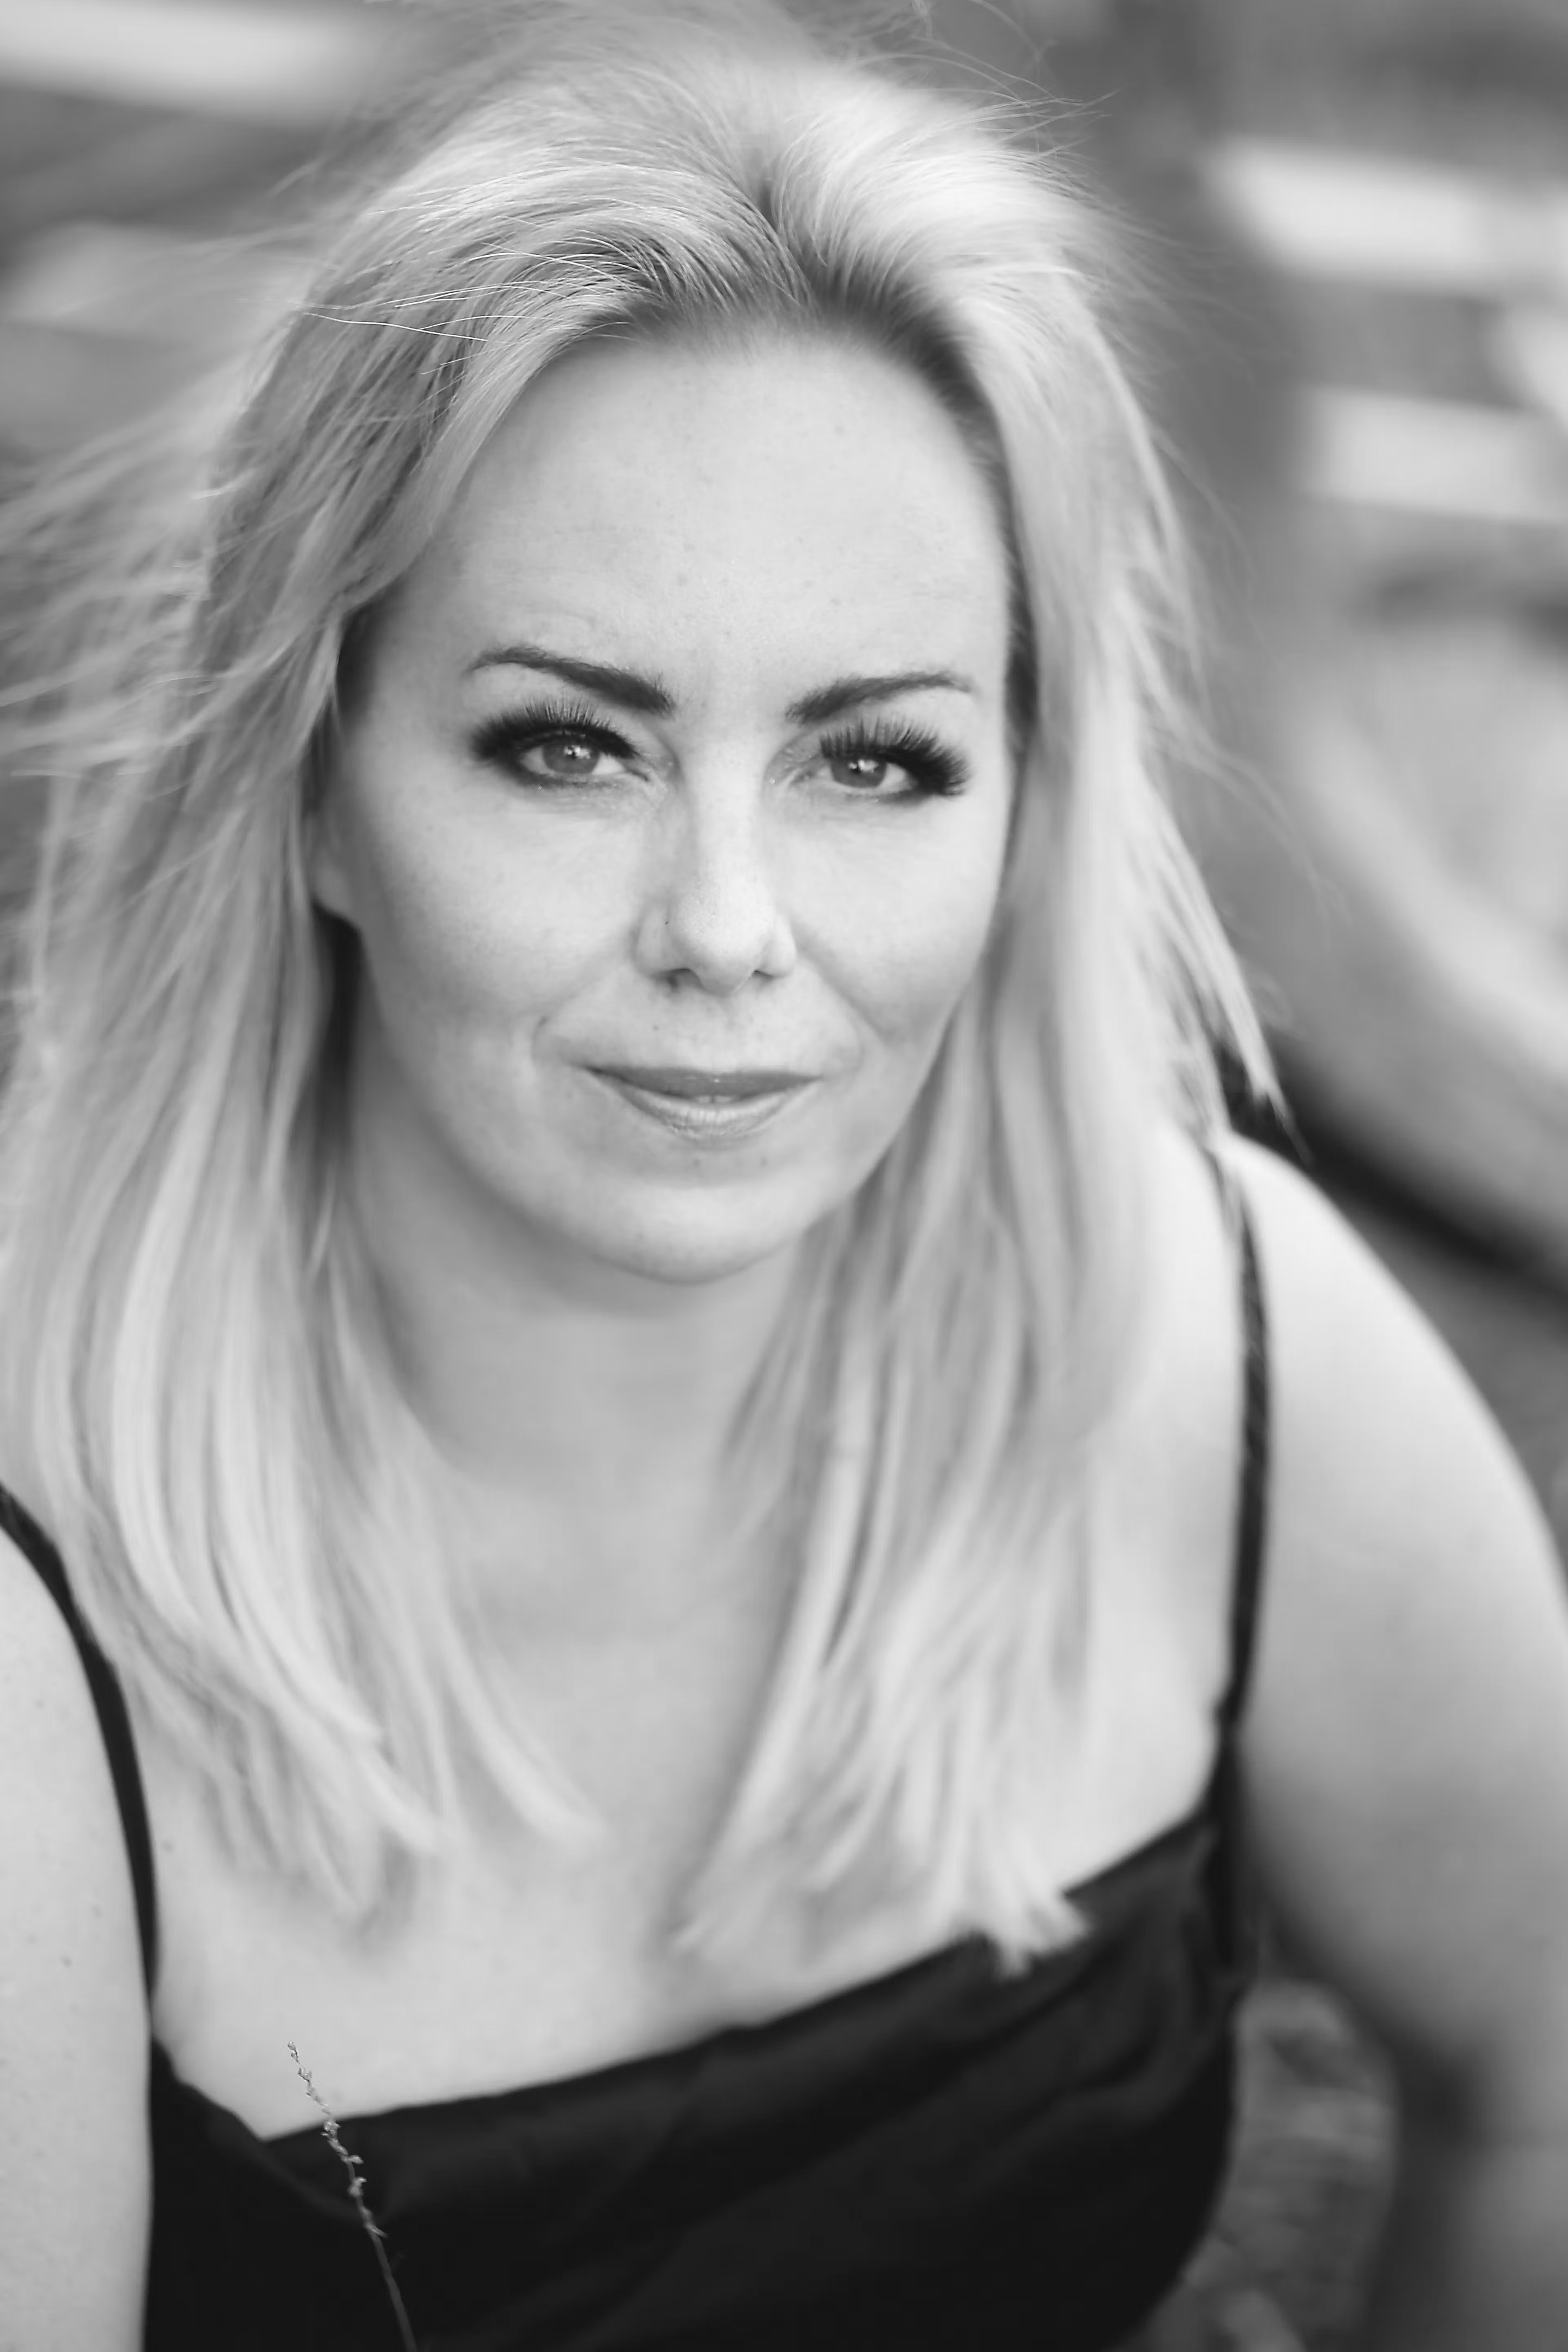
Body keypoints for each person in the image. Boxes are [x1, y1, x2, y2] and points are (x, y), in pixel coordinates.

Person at [1, 4, 1566, 2345]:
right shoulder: (36, 1631)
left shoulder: (1198, 1331)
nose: (728, 928)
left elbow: (1546, 2062)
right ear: (313, 789)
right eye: (567, 744)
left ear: (1028, 805)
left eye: (875, 763)